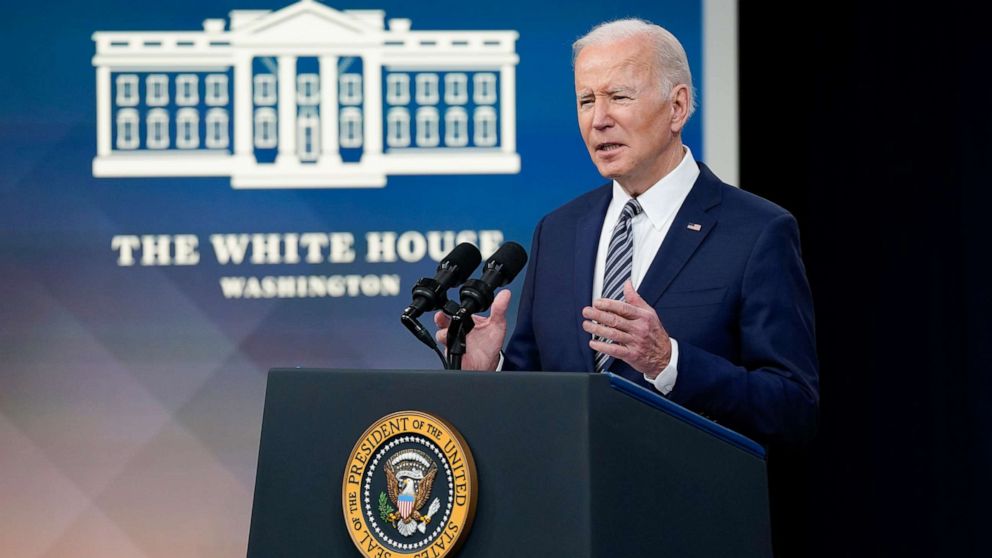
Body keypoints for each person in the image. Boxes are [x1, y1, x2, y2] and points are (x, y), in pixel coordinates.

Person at [436, 19, 818, 444]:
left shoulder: (757, 232)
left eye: (619, 96)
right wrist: (494, 370)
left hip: (684, 503)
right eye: (586, 100)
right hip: (570, 505)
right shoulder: (559, 231)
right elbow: (539, 388)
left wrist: (668, 361)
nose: (599, 120)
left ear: (677, 107)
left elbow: (793, 406)